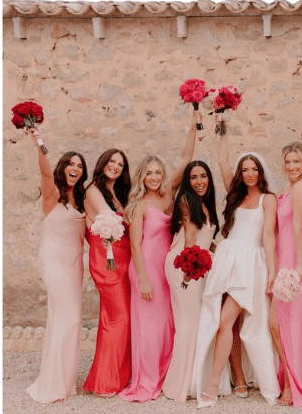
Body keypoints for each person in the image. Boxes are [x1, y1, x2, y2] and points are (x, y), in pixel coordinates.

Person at [192, 129, 279, 407]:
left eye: (254, 169)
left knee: (226, 320)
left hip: (252, 265)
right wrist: (222, 127)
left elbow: (268, 236)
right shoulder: (235, 194)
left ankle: (213, 383)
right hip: (228, 260)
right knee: (229, 322)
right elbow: (222, 160)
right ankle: (238, 377)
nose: (250, 174)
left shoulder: (269, 198)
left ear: (260, 172)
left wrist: (273, 271)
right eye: (245, 169)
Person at [119, 111, 200, 402]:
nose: (154, 177)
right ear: (142, 176)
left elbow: (185, 157)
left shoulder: (167, 196)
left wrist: (193, 124)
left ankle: (165, 376)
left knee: (168, 324)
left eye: (157, 172)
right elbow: (136, 246)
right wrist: (142, 279)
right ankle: (147, 379)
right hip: (144, 269)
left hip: (165, 268)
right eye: (149, 173)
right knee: (150, 330)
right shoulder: (139, 204)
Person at [24, 129, 87, 403]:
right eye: (71, 164)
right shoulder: (52, 195)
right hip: (54, 261)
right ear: (63, 168)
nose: (75, 169)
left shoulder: (83, 200)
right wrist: (40, 143)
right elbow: (45, 173)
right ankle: (53, 383)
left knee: (68, 320)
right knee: (68, 318)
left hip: (75, 264)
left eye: (80, 166)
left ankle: (64, 380)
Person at [160, 159, 218, 402]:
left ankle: (195, 380)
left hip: (198, 265)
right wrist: (188, 269)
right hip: (184, 264)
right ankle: (179, 385)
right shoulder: (186, 200)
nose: (199, 181)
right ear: (187, 181)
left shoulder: (207, 204)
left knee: (195, 321)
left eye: (203, 176)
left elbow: (208, 239)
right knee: (189, 322)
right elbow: (191, 238)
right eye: (193, 177)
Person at [269, 142, 302, 407]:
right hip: (284, 259)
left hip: (296, 262)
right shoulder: (289, 187)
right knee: (276, 324)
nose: (291, 167)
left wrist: (300, 267)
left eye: (296, 162)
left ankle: (293, 385)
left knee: (292, 326)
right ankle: (289, 380)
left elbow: (299, 228)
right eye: (287, 162)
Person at [82, 148, 132, 395]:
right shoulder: (93, 190)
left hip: (125, 260)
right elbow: (107, 216)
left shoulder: (119, 192)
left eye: (120, 164)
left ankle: (115, 376)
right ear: (102, 163)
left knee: (116, 317)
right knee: (119, 317)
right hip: (107, 262)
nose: (115, 166)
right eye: (111, 161)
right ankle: (106, 383)